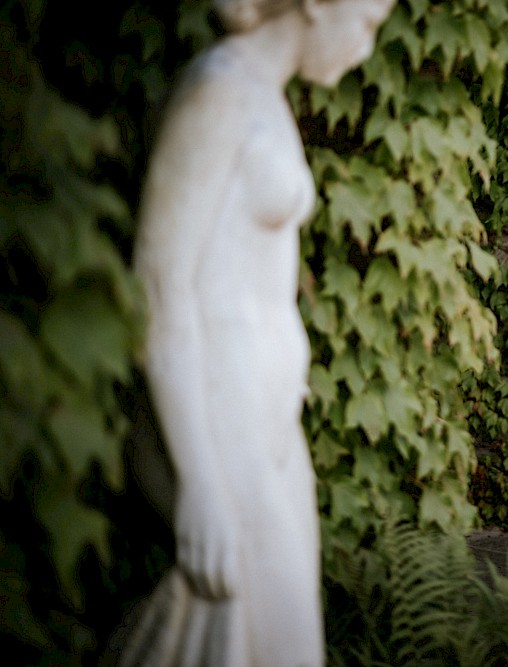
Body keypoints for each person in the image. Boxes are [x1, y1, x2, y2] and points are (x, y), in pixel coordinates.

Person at [123, 1, 394, 664]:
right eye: (365, 24)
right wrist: (199, 480)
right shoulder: (218, 91)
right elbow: (158, 287)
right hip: (218, 422)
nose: (365, 49)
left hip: (263, 421)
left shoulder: (263, 96)